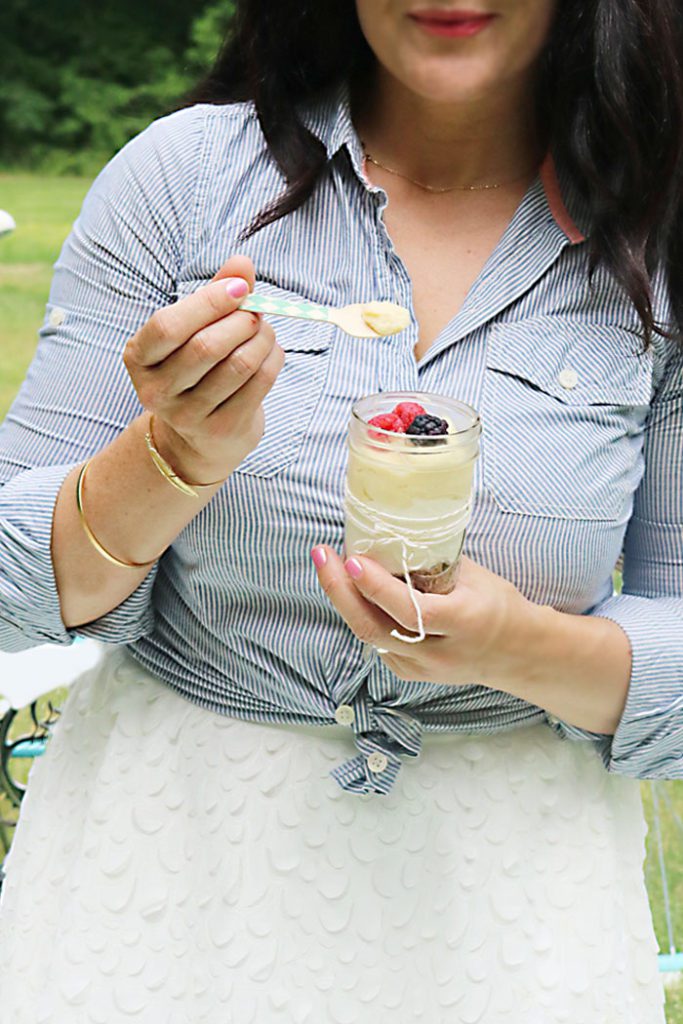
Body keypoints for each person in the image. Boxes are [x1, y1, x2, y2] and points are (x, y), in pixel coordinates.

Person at [0, 0, 681, 1019]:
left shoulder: (656, 233)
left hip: (510, 914)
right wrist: (170, 456)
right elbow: (11, 594)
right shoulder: (183, 181)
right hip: (174, 873)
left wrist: (515, 647)